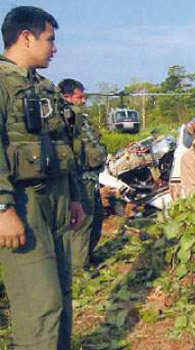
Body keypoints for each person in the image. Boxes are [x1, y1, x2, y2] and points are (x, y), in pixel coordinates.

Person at [0, 6, 85, 349]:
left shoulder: (44, 87)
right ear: (26, 37)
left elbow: (64, 143)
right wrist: (4, 209)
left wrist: (75, 196)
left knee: (61, 298)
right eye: (50, 39)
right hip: (23, 204)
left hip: (58, 199)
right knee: (41, 306)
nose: (55, 47)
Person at [59, 78, 107, 269]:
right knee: (82, 224)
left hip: (92, 177)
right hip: (80, 179)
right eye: (80, 97)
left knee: (95, 220)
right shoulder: (64, 119)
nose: (83, 101)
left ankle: (87, 255)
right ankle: (78, 267)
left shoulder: (80, 118)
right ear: (67, 97)